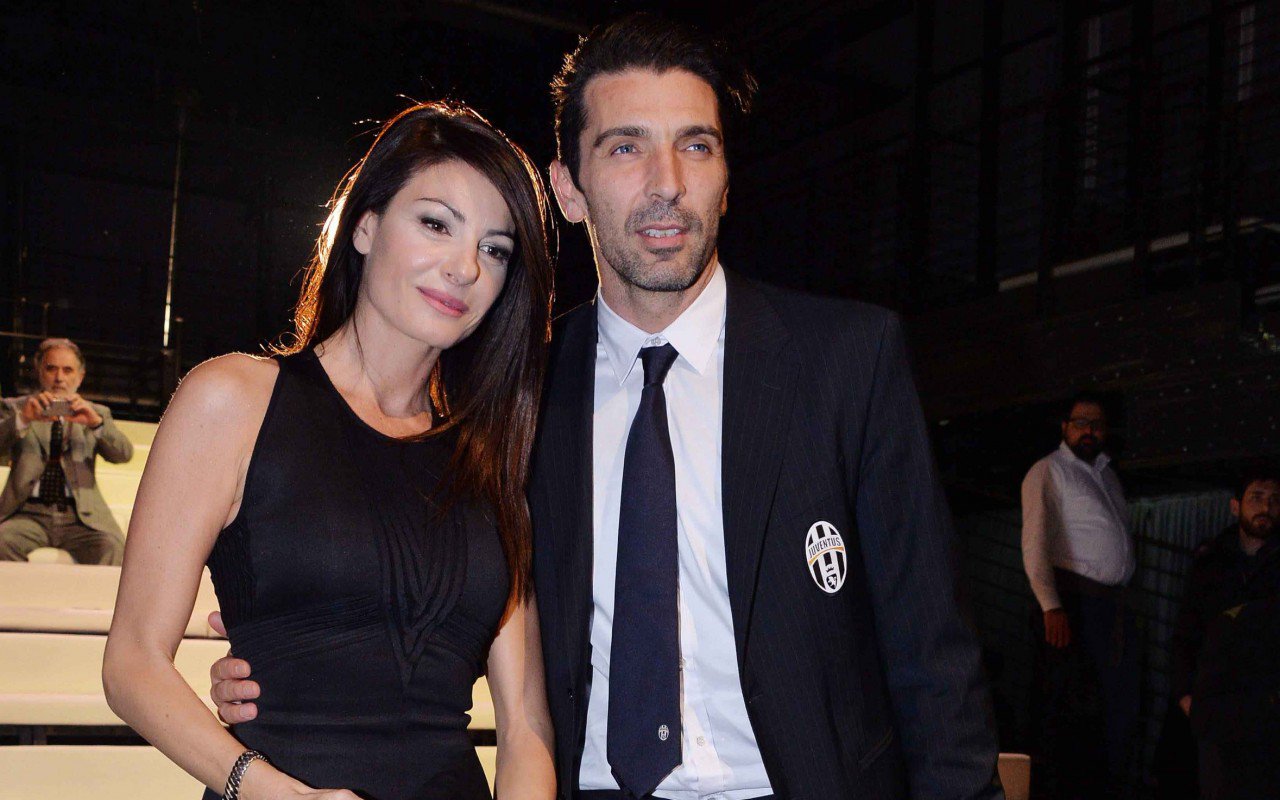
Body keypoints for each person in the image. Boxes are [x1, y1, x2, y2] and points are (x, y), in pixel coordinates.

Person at [212, 15, 1001, 799]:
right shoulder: (513, 393)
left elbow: (932, 649)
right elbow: (434, 599)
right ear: (568, 189)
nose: (668, 182)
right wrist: (298, 652)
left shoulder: (847, 359)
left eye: (696, 145)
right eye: (626, 148)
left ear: (727, 177)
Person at [103, 102, 556, 800]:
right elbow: (133, 662)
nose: (465, 267)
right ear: (365, 226)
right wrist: (269, 791)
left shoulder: (490, 459)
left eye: (495, 249)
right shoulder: (234, 399)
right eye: (436, 224)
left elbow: (525, 725)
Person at [1020, 392, 1137, 798]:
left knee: (1111, 710)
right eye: (1081, 422)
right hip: (1072, 604)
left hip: (1109, 608)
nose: (1089, 430)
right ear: (1065, 427)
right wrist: (1050, 605)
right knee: (1070, 711)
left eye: (1097, 424)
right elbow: (1034, 541)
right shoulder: (1048, 470)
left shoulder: (1107, 475)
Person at [1170, 468, 1280, 799]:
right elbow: (1186, 631)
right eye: (1256, 498)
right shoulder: (1211, 562)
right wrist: (1186, 697)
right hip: (1217, 707)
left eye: (1274, 500)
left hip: (1267, 708)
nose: (1266, 508)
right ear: (1236, 506)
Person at [0, 337, 133, 564]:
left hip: (81, 517)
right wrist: (23, 420)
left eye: (68, 370)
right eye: (51, 368)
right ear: (39, 371)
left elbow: (124, 454)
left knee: (111, 547)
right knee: (2, 541)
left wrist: (96, 424)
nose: (59, 378)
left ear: (80, 376)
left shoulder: (96, 412)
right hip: (27, 512)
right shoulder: (16, 408)